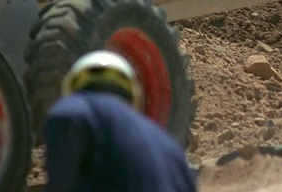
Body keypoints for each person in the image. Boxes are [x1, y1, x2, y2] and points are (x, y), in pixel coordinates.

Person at [43, 50, 197, 192]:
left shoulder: (77, 108)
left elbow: (67, 118)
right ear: (132, 94)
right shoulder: (170, 148)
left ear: (74, 86)